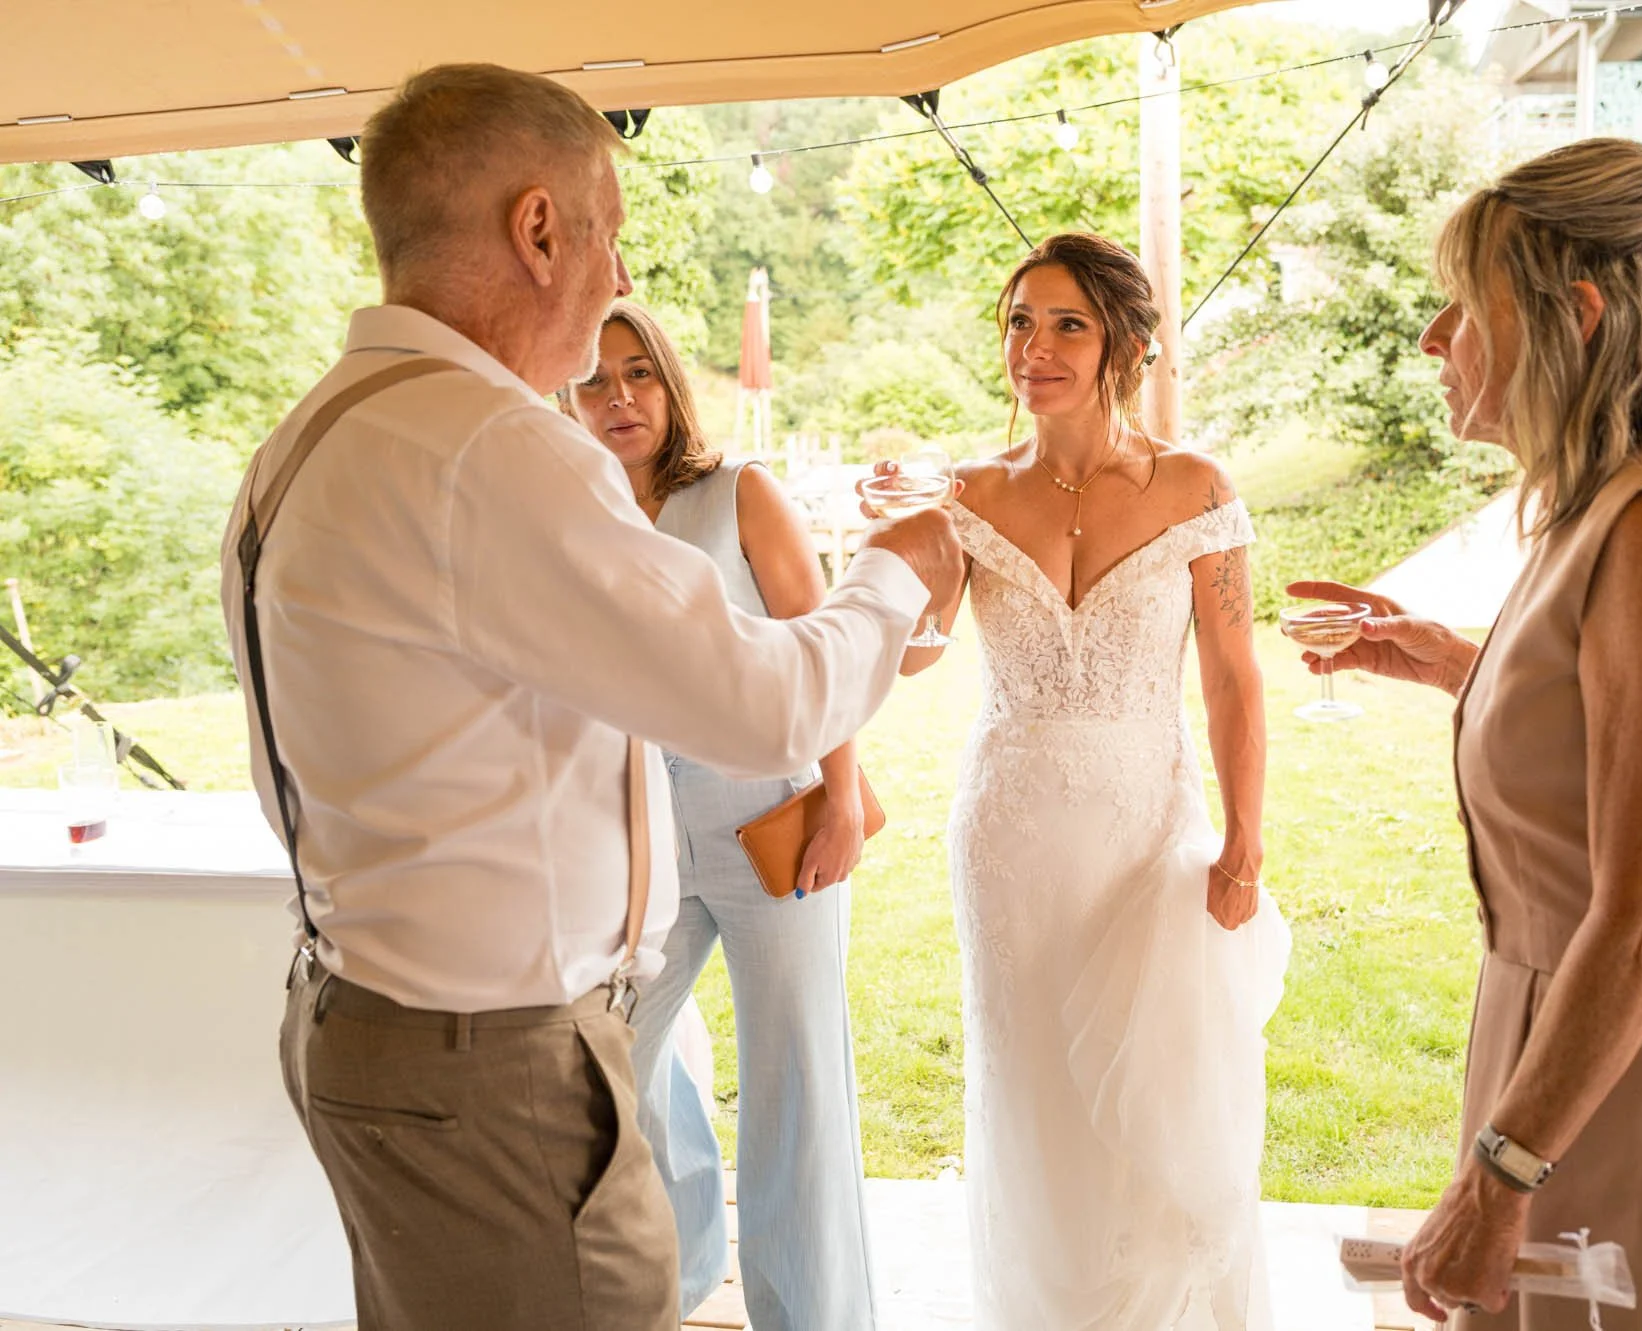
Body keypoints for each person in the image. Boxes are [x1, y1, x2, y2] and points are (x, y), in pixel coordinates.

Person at [219, 64, 960, 1331]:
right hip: (490, 1066)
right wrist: (900, 572)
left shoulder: (316, 432)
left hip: (369, 1014)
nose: (617, 276)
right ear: (539, 229)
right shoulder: (490, 448)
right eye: (606, 231)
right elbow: (761, 701)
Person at [1293, 138, 1642, 1330]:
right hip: (1576, 1042)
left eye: (1461, 305)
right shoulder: (1601, 507)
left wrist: (1499, 1173)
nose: (1431, 340)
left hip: (1641, 1068)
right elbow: (1607, 733)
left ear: (1576, 315)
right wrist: (1453, 662)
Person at [894, 232, 1291, 1329]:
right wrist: (891, 570)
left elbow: (1232, 678)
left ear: (1123, 342)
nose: (1037, 347)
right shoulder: (968, 493)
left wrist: (1244, 836)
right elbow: (919, 648)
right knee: (1030, 1094)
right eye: (1021, 321)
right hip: (1009, 831)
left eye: (1067, 322)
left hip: (1143, 831)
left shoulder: (1193, 486)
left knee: (1158, 1097)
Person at [560, 299, 880, 1329]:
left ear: (668, 381)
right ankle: (680, 1270)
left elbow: (818, 644)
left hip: (770, 817)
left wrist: (842, 797)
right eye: (595, 379)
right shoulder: (569, 515)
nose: (618, 397)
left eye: (637, 373)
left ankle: (812, 1315)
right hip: (639, 838)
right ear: (565, 397)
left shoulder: (741, 491)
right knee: (615, 1065)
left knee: (795, 1083)